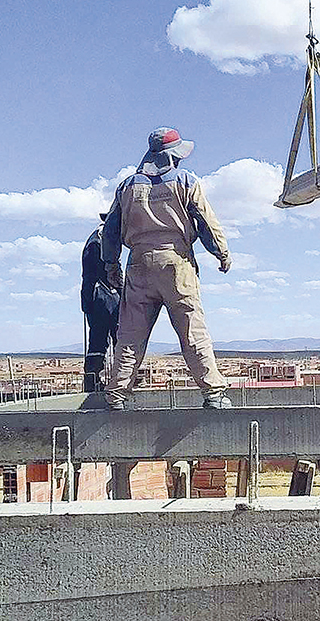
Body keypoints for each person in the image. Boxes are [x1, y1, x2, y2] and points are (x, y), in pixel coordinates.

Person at [101, 127, 233, 410]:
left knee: (130, 335)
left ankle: (115, 396)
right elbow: (206, 223)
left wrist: (111, 264)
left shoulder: (127, 186)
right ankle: (214, 394)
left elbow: (111, 230)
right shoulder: (186, 181)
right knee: (192, 330)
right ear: (175, 156)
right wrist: (221, 253)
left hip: (138, 264)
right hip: (176, 264)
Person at [80, 215, 120, 392]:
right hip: (103, 296)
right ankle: (120, 379)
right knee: (117, 336)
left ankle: (93, 378)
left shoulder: (95, 239)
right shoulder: (100, 242)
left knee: (98, 339)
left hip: (96, 296)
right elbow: (110, 272)